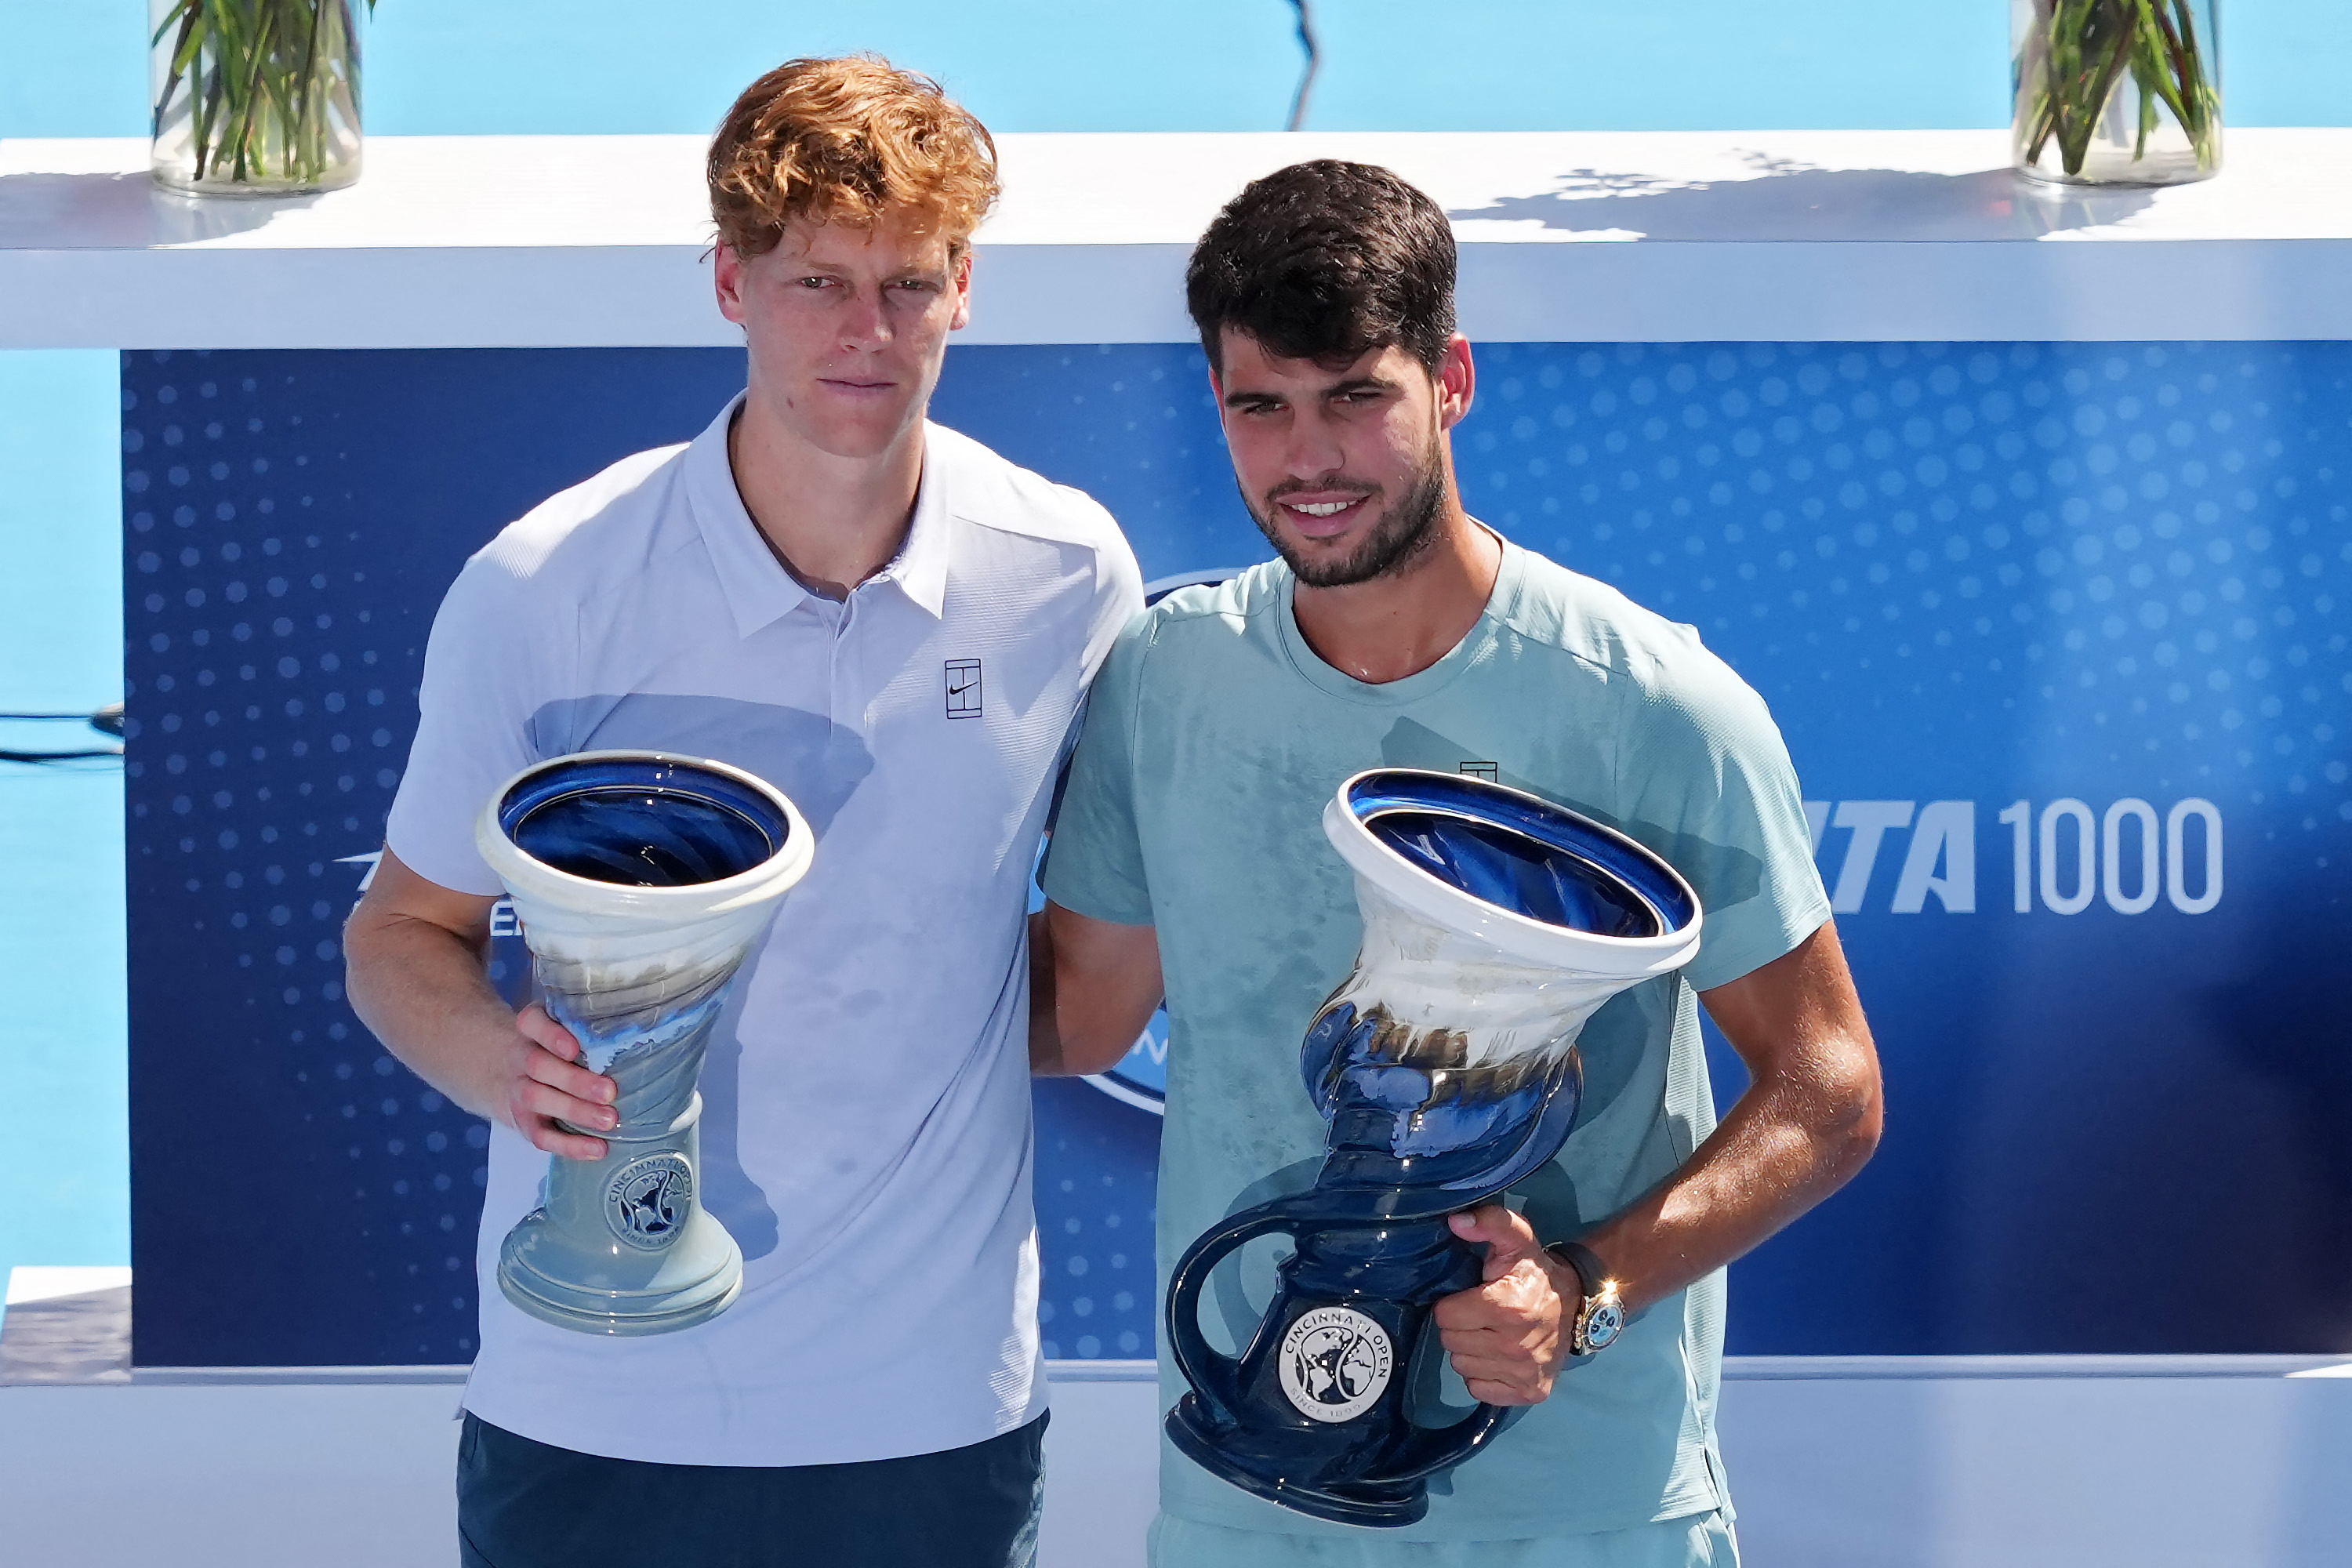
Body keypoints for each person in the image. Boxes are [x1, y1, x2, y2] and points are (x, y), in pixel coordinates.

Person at [343, 56, 1142, 1568]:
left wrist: (925, 1031)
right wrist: (507, 1069)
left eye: (909, 283)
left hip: (933, 1412)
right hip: (591, 1399)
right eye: (818, 280)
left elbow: (1086, 995)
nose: (868, 332)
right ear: (728, 280)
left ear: (965, 287)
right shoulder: (545, 587)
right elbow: (401, 936)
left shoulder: (1066, 575)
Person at [1029, 160, 1883, 1567]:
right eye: (1262, 408)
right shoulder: (1163, 680)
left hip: (1583, 1511)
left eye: (1357, 396)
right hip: (1246, 1498)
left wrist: (1587, 1287)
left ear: (1452, 378)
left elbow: (1829, 1088)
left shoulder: (1657, 703)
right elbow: (1084, 1014)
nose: (1309, 459)